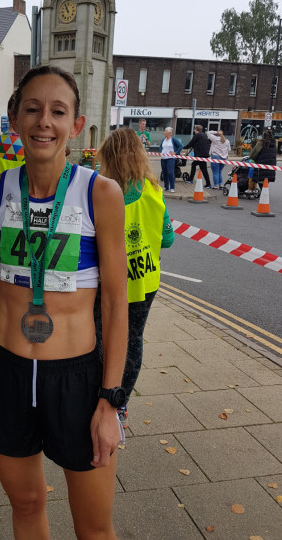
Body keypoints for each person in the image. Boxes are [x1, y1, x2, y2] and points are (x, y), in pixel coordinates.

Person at [0, 65, 127, 539]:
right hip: (7, 374)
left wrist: (112, 402)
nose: (43, 121)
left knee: (93, 528)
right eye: (32, 109)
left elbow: (115, 304)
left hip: (77, 381)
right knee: (27, 506)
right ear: (15, 119)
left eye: (57, 111)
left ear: (76, 124)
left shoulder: (100, 194)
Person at [94, 127, 174, 428]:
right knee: (133, 337)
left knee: (100, 337)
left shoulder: (101, 191)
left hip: (108, 283)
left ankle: (100, 396)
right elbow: (167, 240)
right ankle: (121, 402)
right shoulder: (155, 190)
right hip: (144, 280)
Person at [159, 127, 183, 193]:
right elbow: (160, 146)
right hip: (163, 159)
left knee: (170, 172)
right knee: (164, 172)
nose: (164, 132)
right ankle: (166, 186)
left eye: (165, 131)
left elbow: (181, 146)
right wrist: (161, 151)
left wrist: (175, 152)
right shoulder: (164, 139)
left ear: (169, 133)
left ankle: (172, 187)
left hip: (170, 159)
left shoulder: (173, 139)